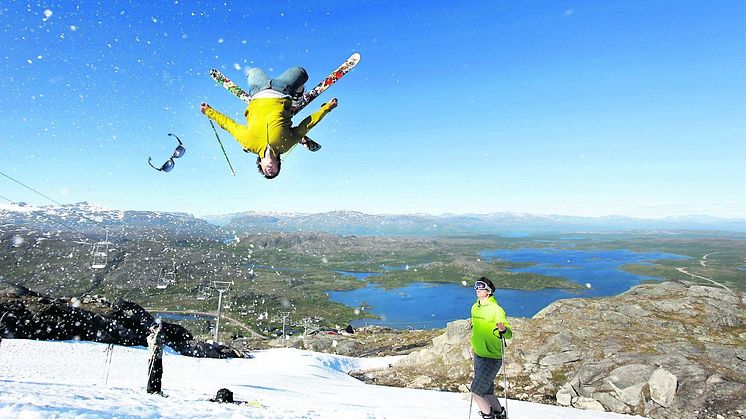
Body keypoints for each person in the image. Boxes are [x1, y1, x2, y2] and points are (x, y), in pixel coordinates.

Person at [200, 65, 338, 179]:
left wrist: (209, 111)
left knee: (252, 72)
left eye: (267, 172)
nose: (270, 170)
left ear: (260, 163)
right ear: (278, 164)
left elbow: (228, 125)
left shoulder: (248, 143)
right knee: (301, 72)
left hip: (257, 92)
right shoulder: (285, 145)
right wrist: (327, 108)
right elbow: (306, 125)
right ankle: (297, 99)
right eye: (274, 172)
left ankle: (258, 77)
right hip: (283, 90)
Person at [470, 277, 512, 419]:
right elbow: (476, 329)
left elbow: (509, 333)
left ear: (488, 291)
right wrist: (473, 345)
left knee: (476, 391)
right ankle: (499, 415)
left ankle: (489, 416)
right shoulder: (475, 307)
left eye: (481, 287)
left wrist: (503, 329)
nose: (478, 289)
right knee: (487, 391)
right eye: (476, 287)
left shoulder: (496, 310)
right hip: (478, 355)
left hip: (491, 357)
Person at [146, 322, 166, 395]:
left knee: (159, 373)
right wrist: (157, 333)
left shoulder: (160, 336)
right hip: (152, 357)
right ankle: (151, 389)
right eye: (154, 328)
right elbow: (154, 342)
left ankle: (157, 389)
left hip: (158, 357)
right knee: (152, 374)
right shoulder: (150, 337)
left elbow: (162, 344)